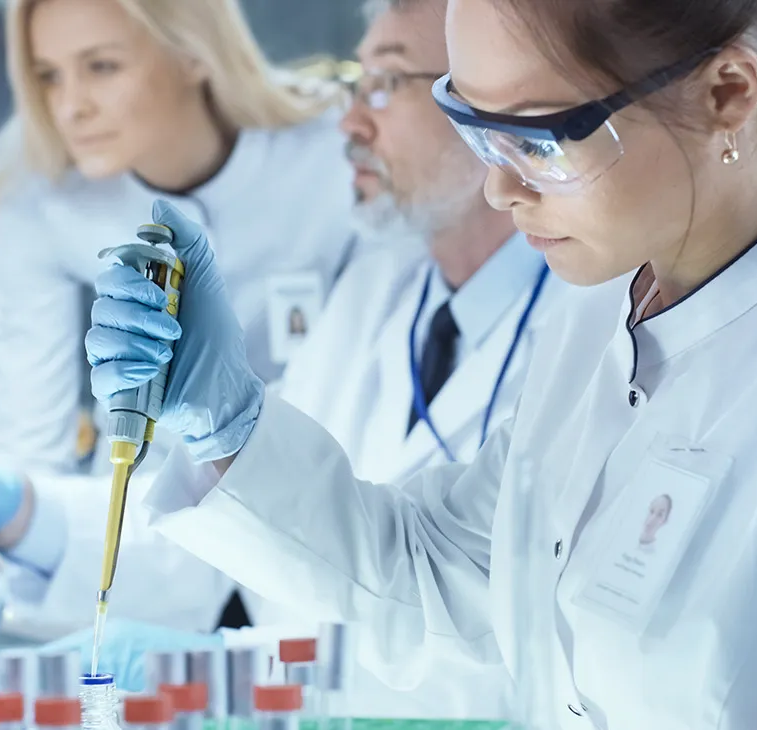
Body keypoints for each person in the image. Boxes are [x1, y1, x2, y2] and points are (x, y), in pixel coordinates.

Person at [86, 0, 757, 725]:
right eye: (471, 129)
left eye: (539, 139)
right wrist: (225, 423)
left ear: (726, 91)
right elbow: (446, 569)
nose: (499, 191)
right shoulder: (598, 320)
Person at [50, 0, 557, 717]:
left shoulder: (589, 324)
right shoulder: (376, 289)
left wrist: (220, 673)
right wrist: (19, 516)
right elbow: (281, 540)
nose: (350, 123)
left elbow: (490, 636)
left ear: (498, 104)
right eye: (355, 86)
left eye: (385, 84)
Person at [0, 0, 355, 646]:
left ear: (196, 51)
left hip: (329, 541)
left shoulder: (334, 154)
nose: (70, 106)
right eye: (48, 75)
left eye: (102, 67)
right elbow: (30, 439)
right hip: (142, 549)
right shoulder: (43, 200)